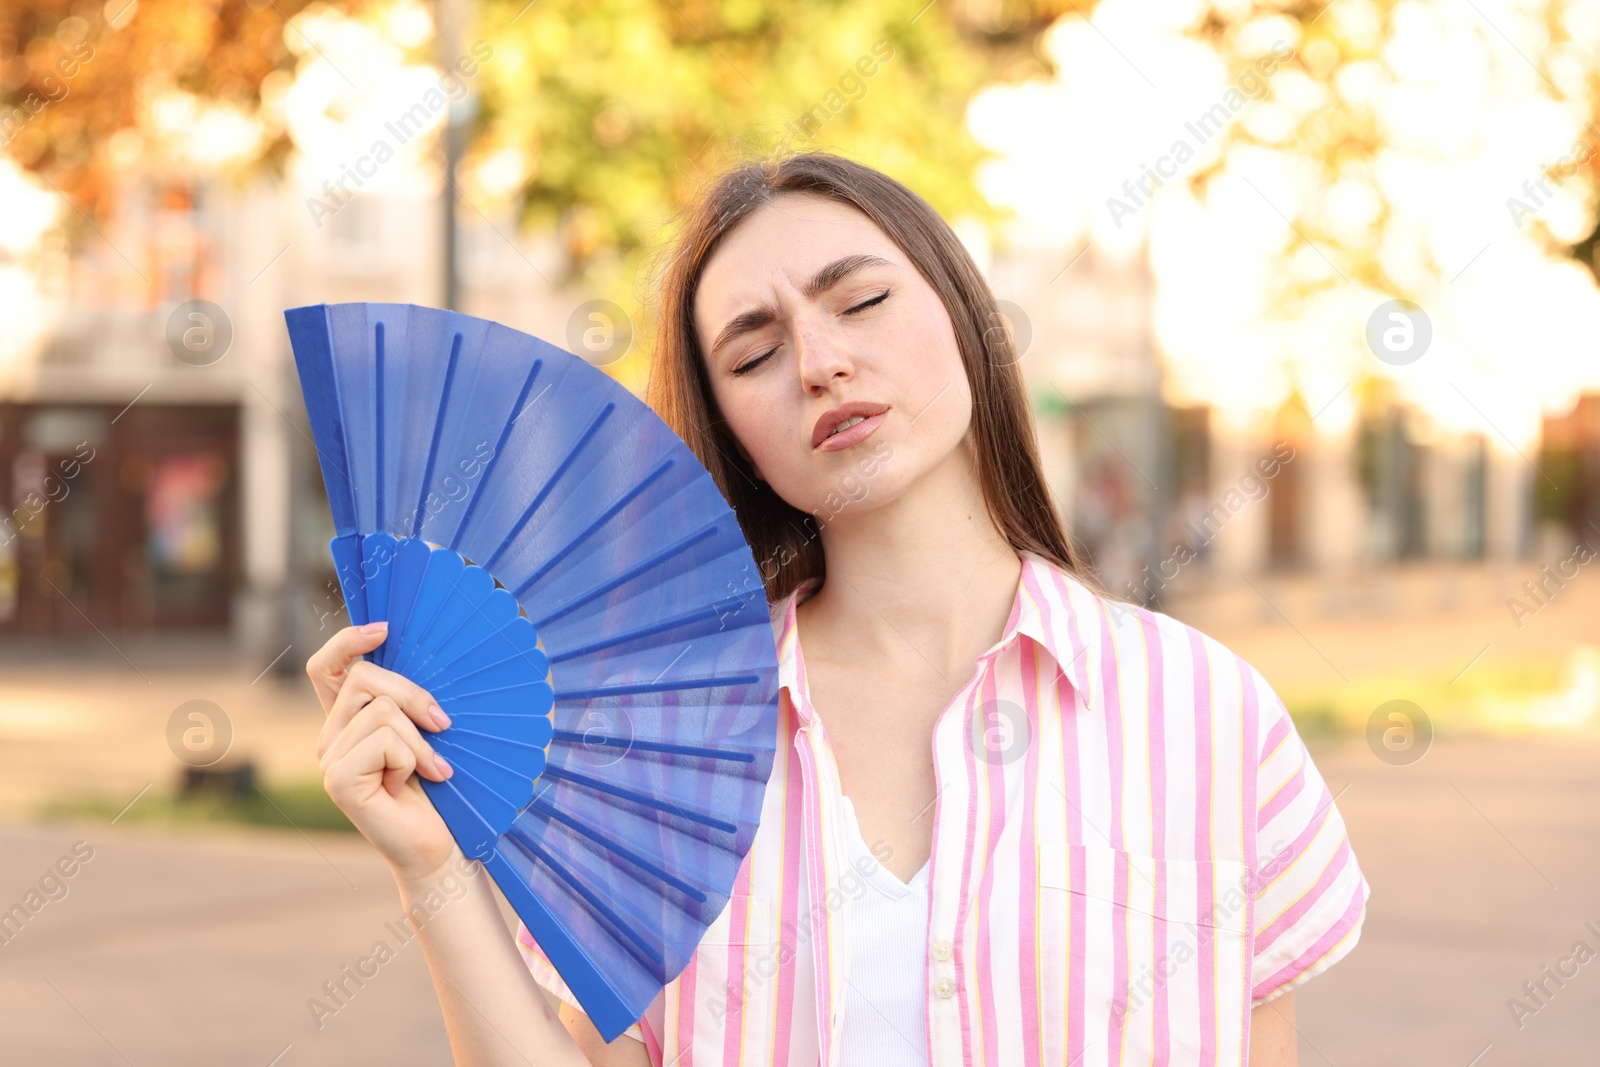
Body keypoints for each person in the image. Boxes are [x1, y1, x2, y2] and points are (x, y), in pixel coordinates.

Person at [306, 151, 1370, 1066]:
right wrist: (430, 864)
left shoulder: (1205, 712)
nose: (821, 363)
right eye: (755, 352)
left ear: (961, 313)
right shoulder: (653, 740)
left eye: (859, 300)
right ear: (730, 429)